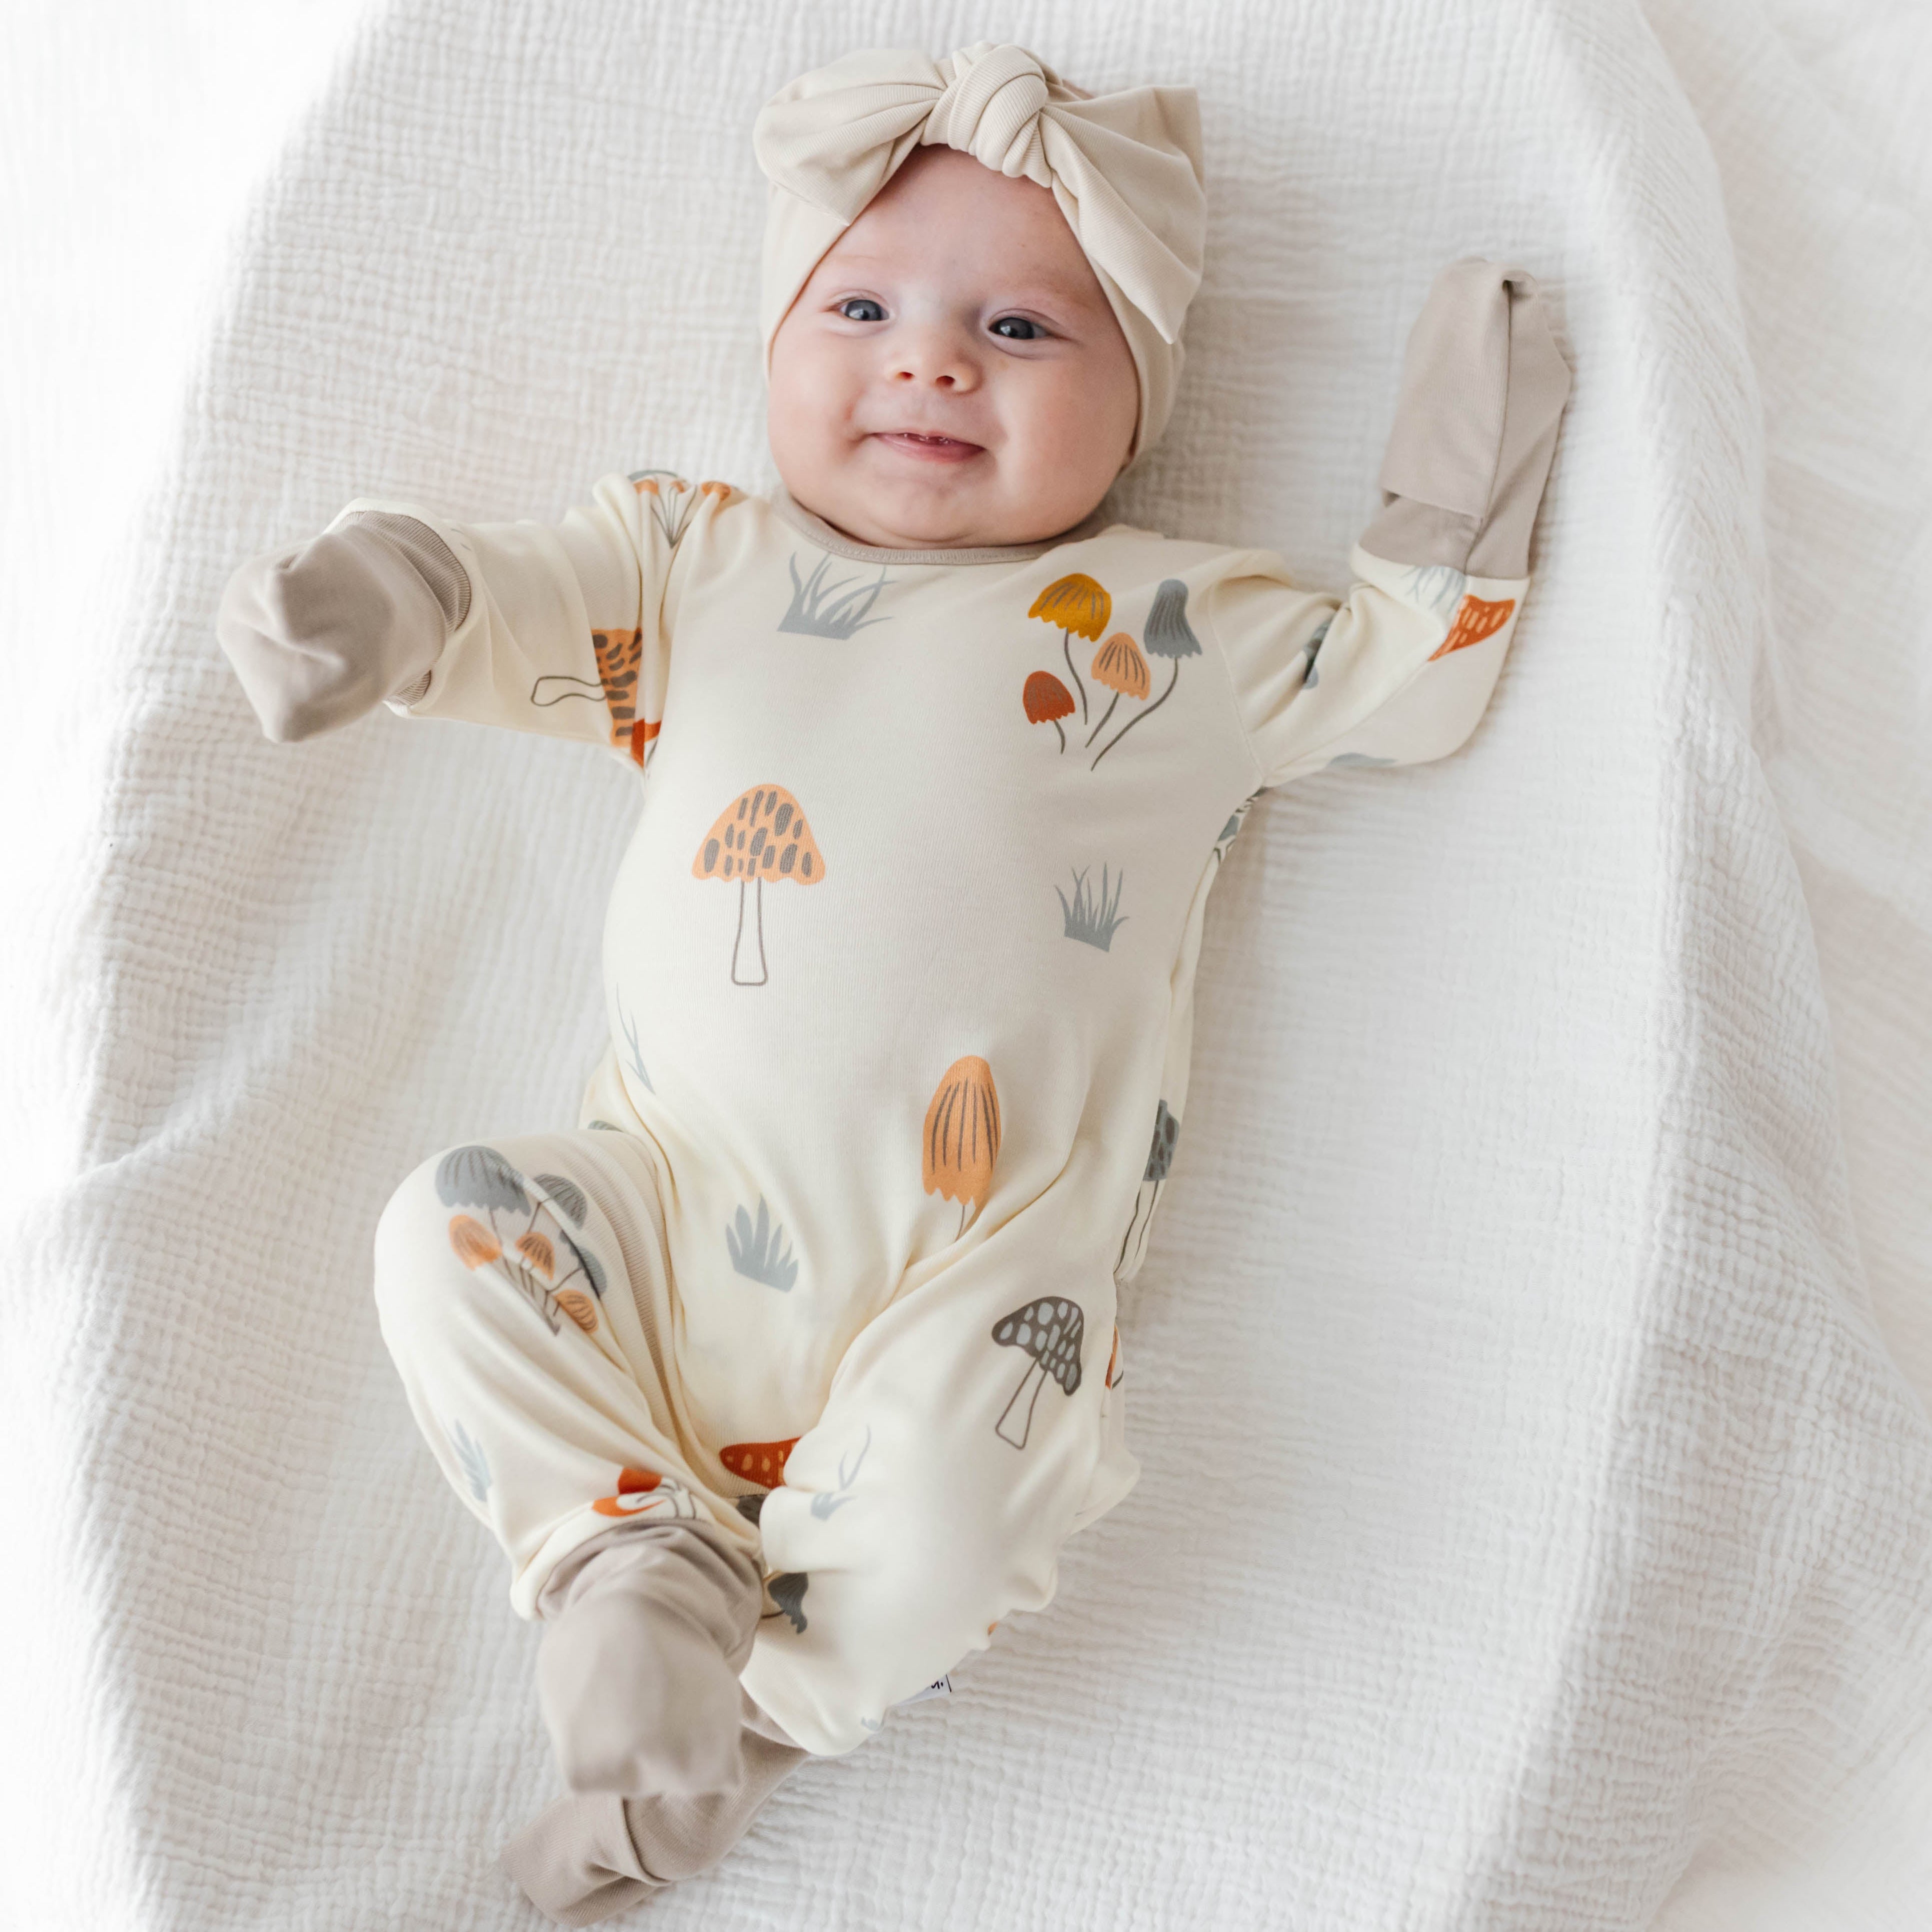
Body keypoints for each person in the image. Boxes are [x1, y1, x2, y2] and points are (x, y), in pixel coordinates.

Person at [215, 41, 1569, 1925]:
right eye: (860, 306)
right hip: (664, 1215)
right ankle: (631, 1570)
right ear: (775, 345)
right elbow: (510, 605)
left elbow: (1415, 681)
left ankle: (741, 1724)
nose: (931, 359)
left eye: (1022, 327)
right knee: (439, 1231)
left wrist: (1461, 459)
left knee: (970, 1496)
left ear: (1139, 402)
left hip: (977, 1279)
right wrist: (378, 600)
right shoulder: (696, 559)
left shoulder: (1177, 628)